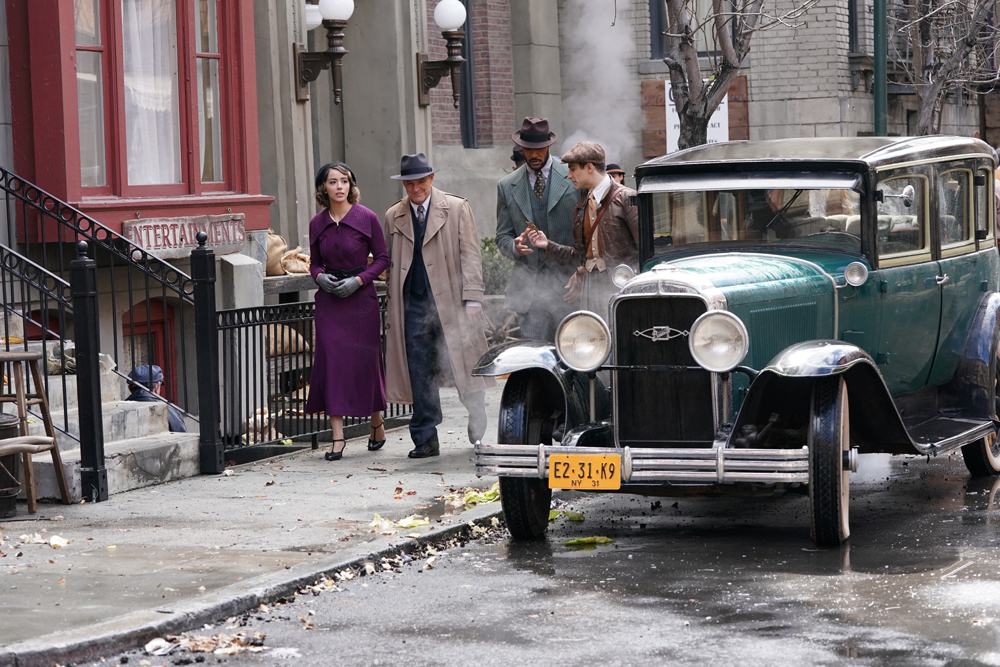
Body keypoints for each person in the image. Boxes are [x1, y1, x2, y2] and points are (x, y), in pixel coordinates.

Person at [383, 153, 494, 458]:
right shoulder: (393, 215)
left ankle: (477, 416)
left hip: (453, 303)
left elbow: (471, 255)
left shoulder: (457, 207)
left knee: (463, 364)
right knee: (418, 372)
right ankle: (425, 438)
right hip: (412, 305)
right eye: (409, 183)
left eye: (421, 181)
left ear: (431, 178)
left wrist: (473, 298)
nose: (415, 188)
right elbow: (391, 262)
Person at [305, 162, 389, 461]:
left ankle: (376, 421)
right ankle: (338, 438)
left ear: (351, 185)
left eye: (344, 181)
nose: (339, 186)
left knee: (366, 363)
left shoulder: (367, 217)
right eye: (333, 182)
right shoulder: (317, 223)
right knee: (332, 363)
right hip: (330, 303)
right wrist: (319, 277)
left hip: (361, 301)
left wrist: (359, 280)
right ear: (323, 188)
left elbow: (383, 259)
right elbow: (315, 262)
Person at [526, 141, 639, 322]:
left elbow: (644, 250)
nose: (569, 175)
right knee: (592, 335)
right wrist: (547, 245)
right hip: (590, 286)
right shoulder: (581, 206)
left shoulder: (627, 198)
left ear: (589, 167)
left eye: (572, 169)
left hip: (620, 286)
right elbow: (579, 256)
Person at [495, 117, 579, 341]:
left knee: (573, 353)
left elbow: (589, 232)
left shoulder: (572, 176)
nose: (533, 154)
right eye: (528, 149)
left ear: (549, 146)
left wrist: (581, 272)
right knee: (534, 356)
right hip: (530, 295)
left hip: (569, 288)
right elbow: (502, 236)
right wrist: (514, 247)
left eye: (539, 149)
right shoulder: (506, 186)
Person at [125, 365, 187, 433]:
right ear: (157, 387)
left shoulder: (122, 408)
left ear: (129, 388)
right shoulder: (168, 409)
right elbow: (181, 434)